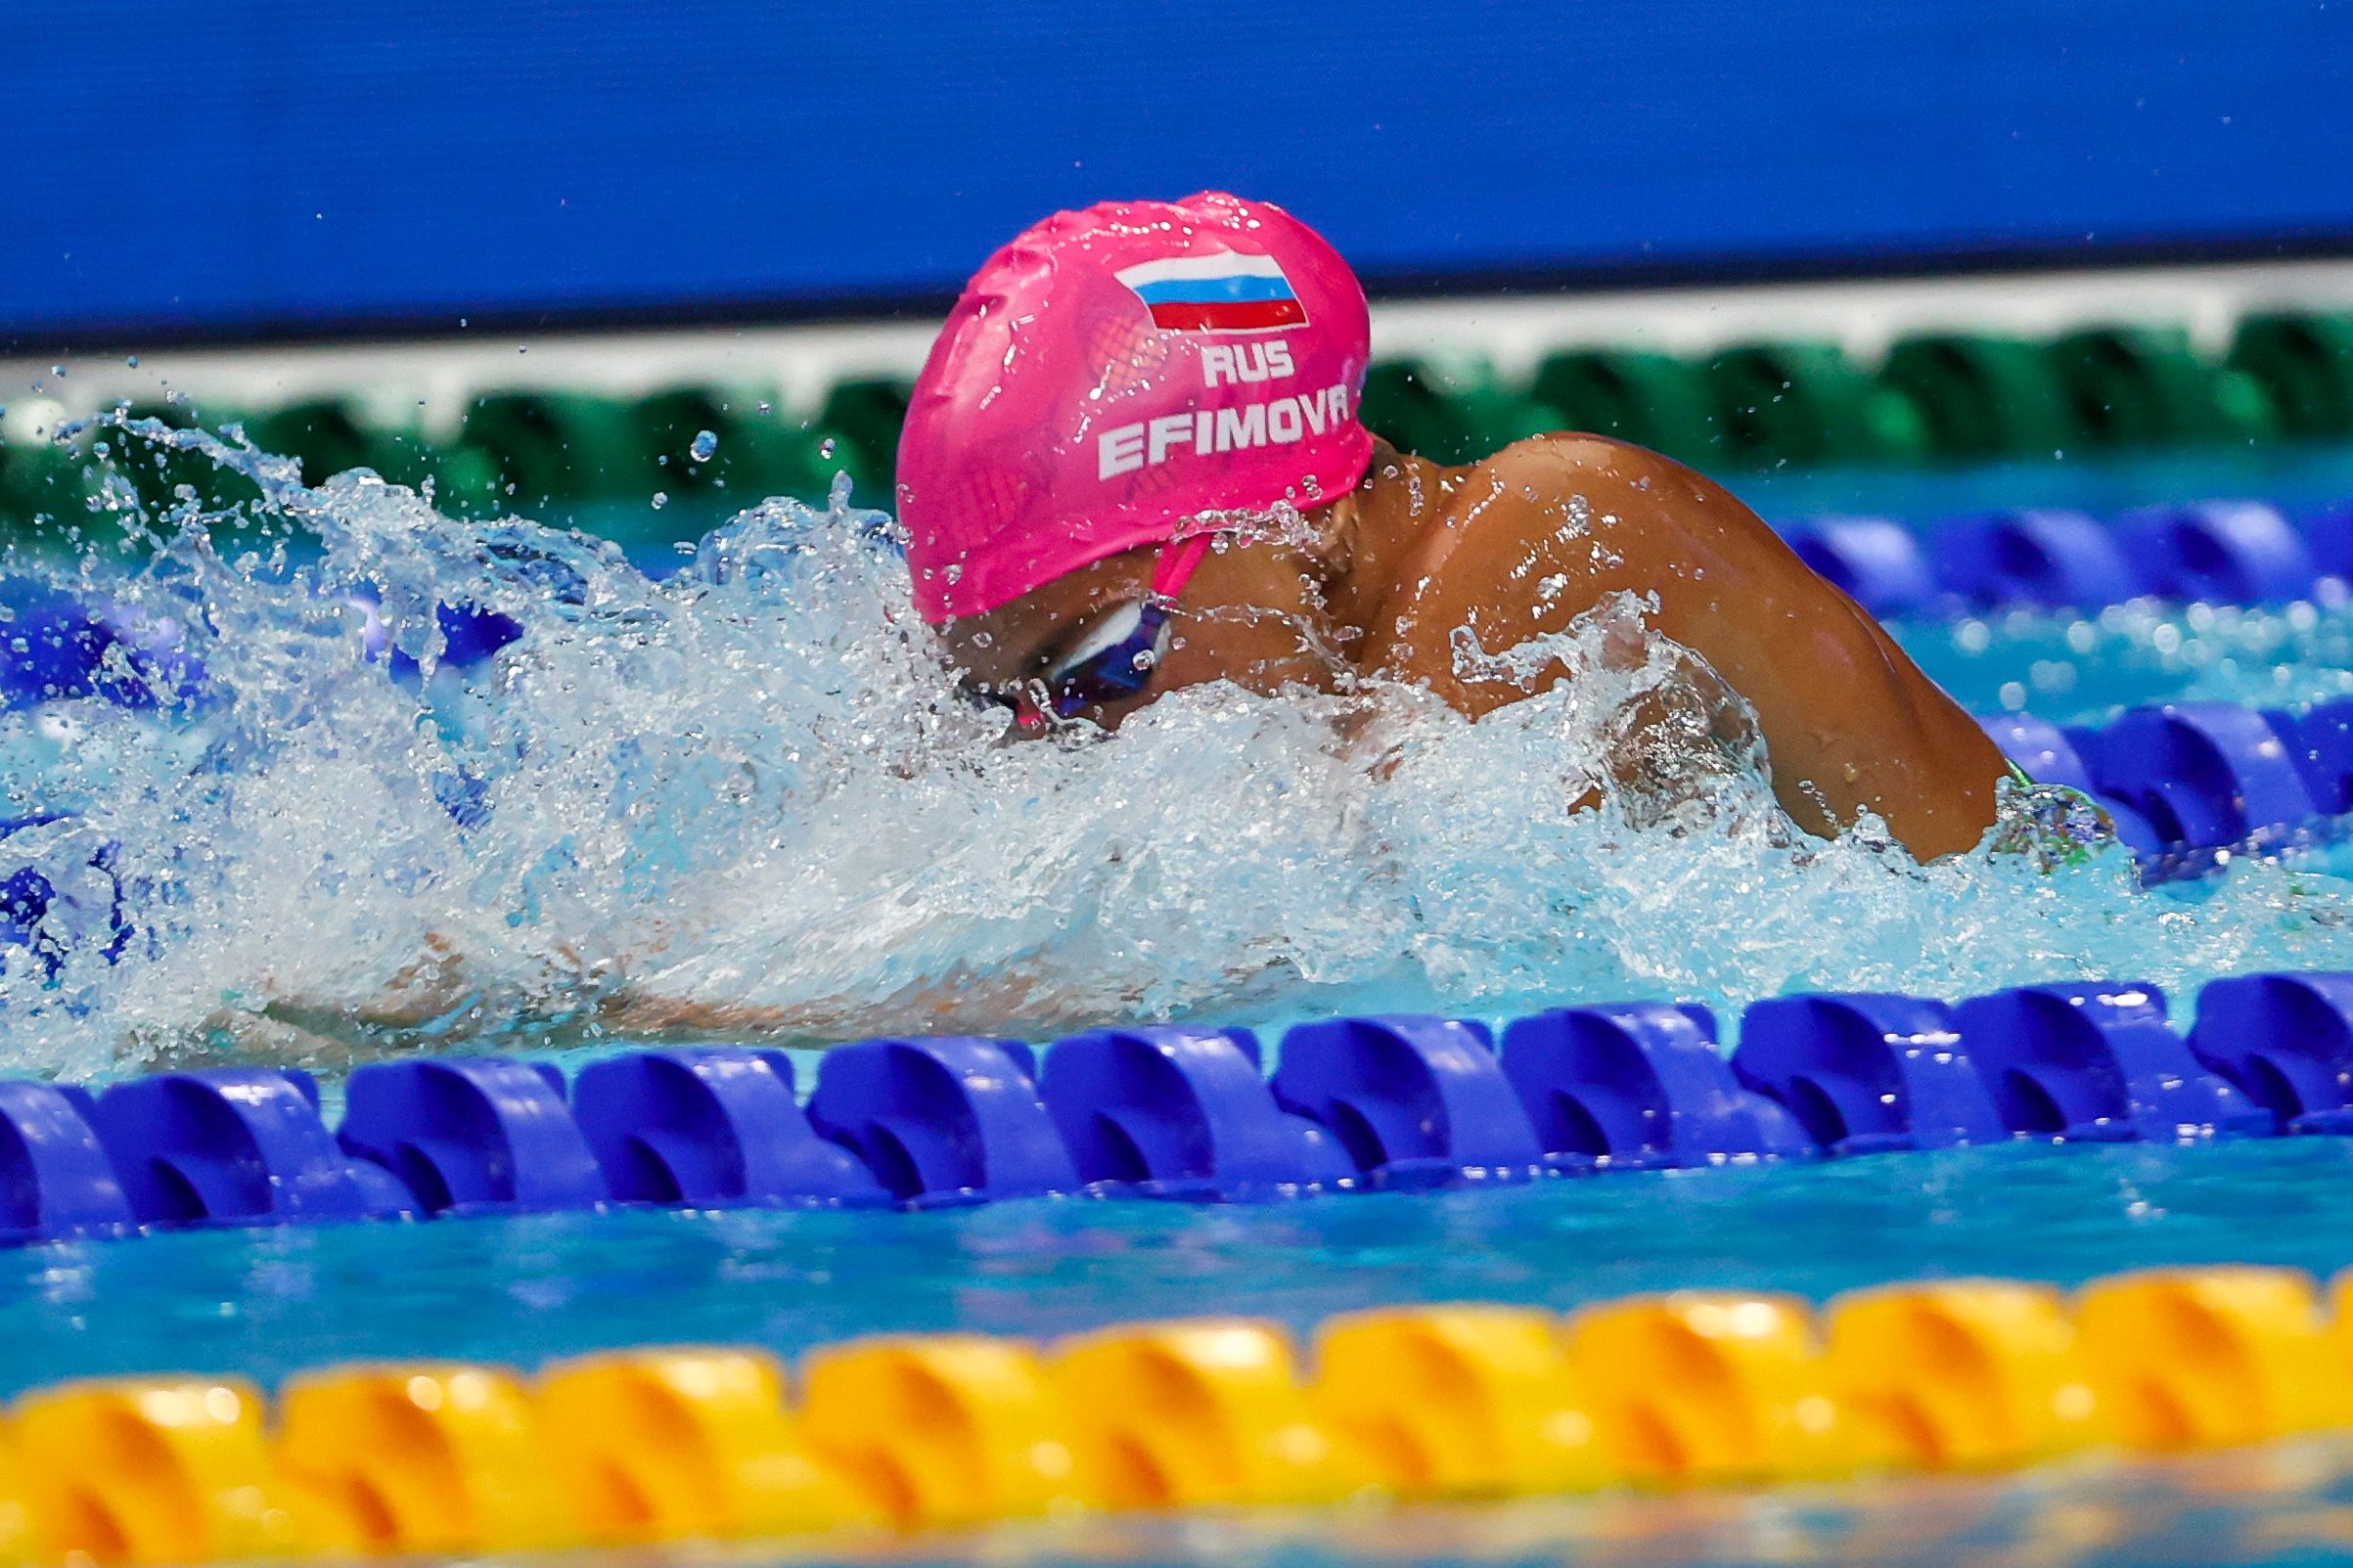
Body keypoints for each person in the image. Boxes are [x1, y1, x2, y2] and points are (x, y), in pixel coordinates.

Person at [902, 192, 2008, 862]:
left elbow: (1320, 929)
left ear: (1283, 528)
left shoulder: (1560, 525)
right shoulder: (1338, 660)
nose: (1061, 739)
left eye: (1092, 666)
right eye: (1004, 704)